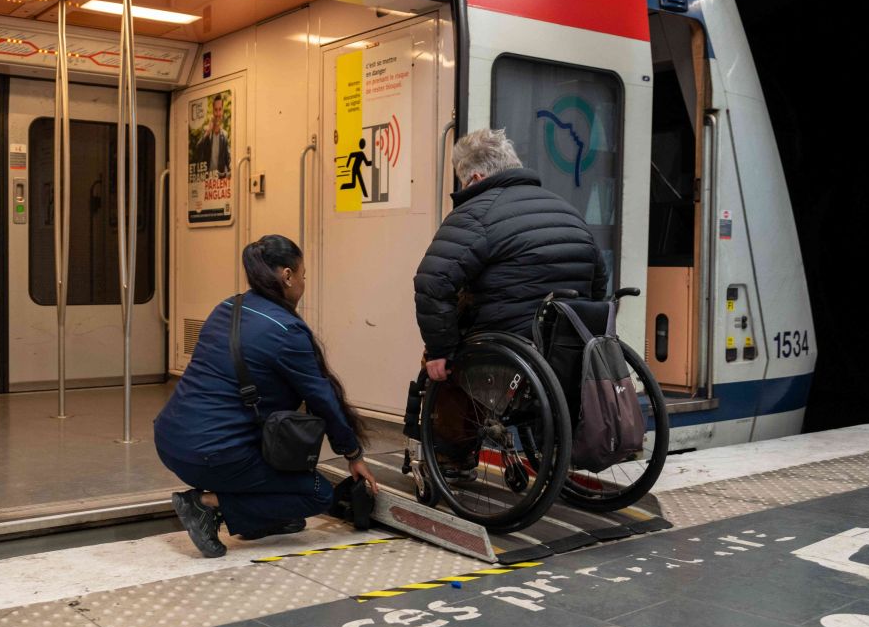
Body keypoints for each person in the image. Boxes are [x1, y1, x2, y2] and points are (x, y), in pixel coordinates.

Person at [155, 234, 378, 558]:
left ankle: (256, 519)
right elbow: (322, 400)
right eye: (303, 275)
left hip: (170, 440)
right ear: (287, 276)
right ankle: (205, 505)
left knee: (284, 498)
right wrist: (353, 455)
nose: (304, 282)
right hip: (213, 453)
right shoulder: (286, 330)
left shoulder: (228, 307)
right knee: (317, 493)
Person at [413, 128, 607, 473]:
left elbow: (432, 282)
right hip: (566, 350)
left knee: (441, 366)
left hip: (507, 352)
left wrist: (441, 350)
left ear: (475, 177)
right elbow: (599, 278)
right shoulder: (565, 209)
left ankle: (450, 460)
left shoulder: (475, 213)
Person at [194, 94, 231, 177]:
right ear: (212, 111)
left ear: (222, 111)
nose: (218, 113)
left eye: (220, 110)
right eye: (215, 110)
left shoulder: (224, 135)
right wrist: (208, 132)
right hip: (206, 180)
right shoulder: (206, 131)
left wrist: (227, 174)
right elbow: (197, 150)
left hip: (219, 182)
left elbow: (228, 160)